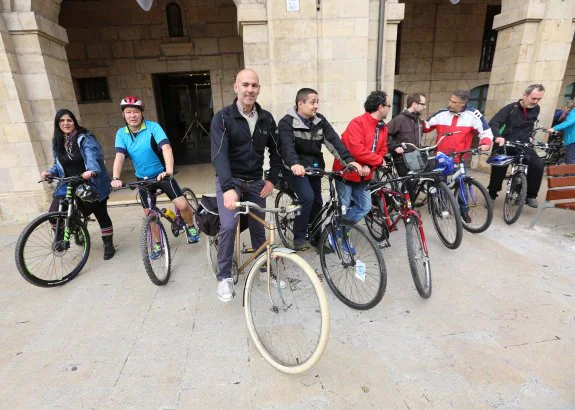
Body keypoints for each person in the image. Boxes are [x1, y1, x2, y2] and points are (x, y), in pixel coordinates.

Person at [210, 68, 283, 302]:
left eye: (254, 85)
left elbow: (277, 150)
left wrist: (272, 178)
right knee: (230, 226)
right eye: (245, 85)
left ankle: (265, 270)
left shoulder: (266, 118)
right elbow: (219, 155)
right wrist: (228, 187)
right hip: (229, 180)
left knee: (259, 227)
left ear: (259, 89)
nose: (250, 89)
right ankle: (224, 277)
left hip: (255, 182)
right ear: (236, 87)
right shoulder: (222, 118)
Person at [110, 96, 200, 259]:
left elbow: (166, 147)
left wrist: (169, 171)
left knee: (182, 205)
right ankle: (158, 244)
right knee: (150, 215)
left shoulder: (153, 127)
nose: (132, 115)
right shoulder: (121, 134)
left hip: (162, 175)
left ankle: (190, 225)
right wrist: (116, 177)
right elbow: (119, 156)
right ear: (124, 115)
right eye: (128, 112)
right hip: (143, 179)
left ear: (141, 113)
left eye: (135, 112)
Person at [278, 88, 363, 250]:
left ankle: (316, 236)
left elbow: (334, 142)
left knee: (318, 202)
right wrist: (294, 164)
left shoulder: (320, 121)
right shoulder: (286, 122)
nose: (316, 106)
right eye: (313, 102)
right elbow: (287, 147)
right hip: (294, 169)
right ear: (300, 104)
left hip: (315, 167)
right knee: (307, 198)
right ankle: (299, 235)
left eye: (317, 102)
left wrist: (349, 161)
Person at [41, 109, 115, 260]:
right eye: (62, 121)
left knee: (100, 213)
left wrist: (92, 170)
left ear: (74, 122)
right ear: (57, 124)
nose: (66, 123)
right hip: (66, 184)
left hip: (87, 181)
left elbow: (91, 156)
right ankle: (67, 233)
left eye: (69, 120)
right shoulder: (57, 141)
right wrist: (50, 172)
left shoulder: (85, 138)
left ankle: (108, 244)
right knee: (53, 215)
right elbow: (58, 164)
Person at [424, 89, 494, 222]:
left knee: (463, 184)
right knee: (441, 183)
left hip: (459, 157)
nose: (450, 103)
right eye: (450, 100)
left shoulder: (474, 115)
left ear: (463, 103)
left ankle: (464, 211)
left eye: (454, 102)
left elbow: (486, 132)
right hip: (441, 156)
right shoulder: (441, 113)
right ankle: (442, 206)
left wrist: (485, 143)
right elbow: (425, 126)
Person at [332, 91, 390, 227]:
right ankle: (337, 235)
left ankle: (339, 230)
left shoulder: (383, 127)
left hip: (364, 175)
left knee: (364, 207)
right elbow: (356, 150)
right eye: (388, 106)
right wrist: (379, 161)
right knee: (344, 207)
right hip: (347, 173)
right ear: (380, 107)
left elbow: (382, 149)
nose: (389, 109)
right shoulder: (358, 123)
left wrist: (369, 167)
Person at [487, 84, 546, 207]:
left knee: (538, 165)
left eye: (539, 99)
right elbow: (493, 123)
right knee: (499, 168)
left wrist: (530, 136)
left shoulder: (536, 109)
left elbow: (529, 125)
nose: (536, 102)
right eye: (533, 98)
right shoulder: (510, 108)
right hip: (506, 143)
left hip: (524, 144)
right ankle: (492, 194)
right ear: (525, 95)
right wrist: (498, 137)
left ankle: (530, 195)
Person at [387, 92, 427, 177]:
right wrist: (394, 148)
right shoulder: (399, 119)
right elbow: (384, 135)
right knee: (408, 186)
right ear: (414, 104)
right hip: (402, 159)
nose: (425, 107)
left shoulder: (418, 120)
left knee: (416, 185)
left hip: (415, 157)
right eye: (423, 104)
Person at [547, 100, 575, 164]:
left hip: (572, 140)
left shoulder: (574, 112)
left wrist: (554, 128)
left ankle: (571, 174)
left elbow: (568, 122)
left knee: (570, 160)